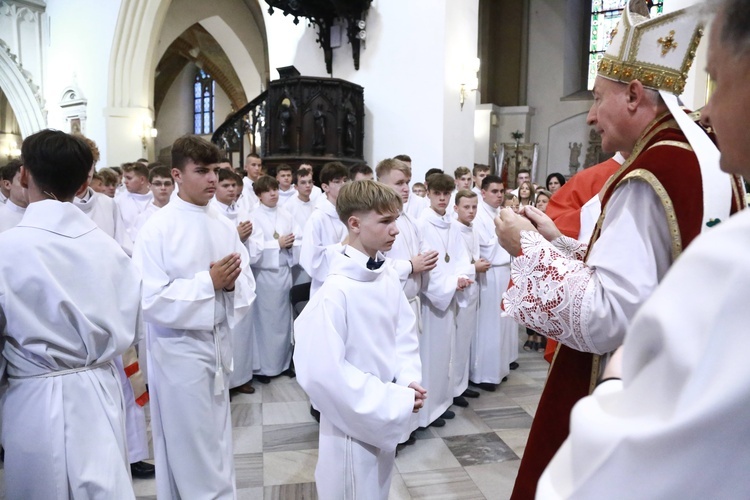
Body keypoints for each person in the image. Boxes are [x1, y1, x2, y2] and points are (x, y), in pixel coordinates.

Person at [497, 3, 744, 497]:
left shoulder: (648, 173)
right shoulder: (701, 157)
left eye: (596, 98)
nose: (589, 116)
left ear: (633, 95)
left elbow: (608, 315)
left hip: (624, 388)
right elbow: (649, 279)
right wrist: (559, 242)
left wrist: (523, 246)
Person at [0, 130, 141, 498]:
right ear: (83, 184)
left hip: (32, 398)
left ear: (25, 174)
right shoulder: (109, 250)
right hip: (99, 389)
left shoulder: (6, 250)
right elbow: (131, 325)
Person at [133, 135, 256, 499]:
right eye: (201, 171)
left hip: (217, 347)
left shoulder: (221, 223)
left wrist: (231, 287)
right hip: (177, 353)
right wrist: (209, 282)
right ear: (176, 174)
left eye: (215, 171)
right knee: (192, 444)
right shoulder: (157, 228)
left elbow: (245, 282)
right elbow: (149, 299)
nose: (212, 180)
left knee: (217, 439)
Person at [293, 180, 424, 499]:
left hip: (382, 408)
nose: (396, 230)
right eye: (385, 221)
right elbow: (323, 374)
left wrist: (407, 381)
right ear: (354, 223)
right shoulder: (335, 293)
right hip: (350, 420)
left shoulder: (386, 274)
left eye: (396, 220)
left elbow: (402, 334)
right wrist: (389, 400)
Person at [418, 174, 473, 428]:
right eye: (437, 193)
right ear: (428, 193)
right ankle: (426, 410)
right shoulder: (422, 224)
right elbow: (427, 265)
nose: (442, 198)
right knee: (430, 354)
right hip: (432, 301)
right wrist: (452, 283)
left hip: (449, 295)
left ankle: (440, 403)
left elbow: (461, 258)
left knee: (445, 353)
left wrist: (462, 276)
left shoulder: (451, 224)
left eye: (446, 194)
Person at [212, 168, 264, 395]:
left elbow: (258, 244)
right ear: (216, 187)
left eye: (234, 186)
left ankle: (242, 377)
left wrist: (246, 239)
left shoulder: (243, 209)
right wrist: (237, 235)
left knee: (242, 332)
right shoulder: (212, 213)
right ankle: (226, 380)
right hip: (224, 278)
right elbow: (215, 245)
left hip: (243, 275)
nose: (231, 189)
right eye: (226, 186)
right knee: (228, 331)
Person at [250, 175, 299, 382]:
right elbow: (252, 249)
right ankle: (264, 369)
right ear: (259, 195)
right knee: (265, 323)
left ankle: (284, 363)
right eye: (268, 191)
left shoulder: (286, 213)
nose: (273, 194)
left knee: (283, 322)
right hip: (264, 277)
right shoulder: (252, 216)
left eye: (275, 190)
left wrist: (291, 244)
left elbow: (297, 236)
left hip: (283, 273)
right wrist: (277, 245)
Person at [469, 175, 516, 392]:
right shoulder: (477, 216)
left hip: (504, 269)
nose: (499, 195)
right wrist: (505, 237)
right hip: (491, 272)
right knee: (489, 323)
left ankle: (499, 368)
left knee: (503, 323)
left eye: (501, 191)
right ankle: (485, 373)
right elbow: (484, 248)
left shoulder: (499, 213)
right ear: (483, 192)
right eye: (495, 191)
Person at [451, 189, 488, 408]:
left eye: (474, 207)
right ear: (456, 208)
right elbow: (453, 263)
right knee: (458, 341)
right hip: (460, 292)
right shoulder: (453, 230)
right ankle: (454, 389)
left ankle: (462, 384)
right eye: (466, 207)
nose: (471, 211)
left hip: (473, 290)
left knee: (467, 340)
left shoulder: (472, 228)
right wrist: (474, 267)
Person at [300, 161, 349, 297]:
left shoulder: (350, 213)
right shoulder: (317, 218)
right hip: (325, 288)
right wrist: (342, 246)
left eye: (345, 180)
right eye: (337, 181)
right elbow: (311, 260)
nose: (344, 185)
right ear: (325, 187)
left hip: (349, 283)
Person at [285, 165, 316, 285]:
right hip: (299, 259)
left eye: (309, 182)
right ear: (296, 186)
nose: (307, 186)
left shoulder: (316, 205)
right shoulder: (289, 207)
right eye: (303, 183)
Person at [133, 165, 174, 239]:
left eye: (167, 184)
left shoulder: (179, 214)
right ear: (149, 186)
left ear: (173, 187)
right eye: (158, 184)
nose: (163, 188)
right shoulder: (143, 218)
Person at [115, 161, 154, 241]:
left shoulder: (155, 198)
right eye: (124, 178)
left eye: (129, 178)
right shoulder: (118, 201)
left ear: (142, 180)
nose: (125, 181)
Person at [0, 159, 28, 232]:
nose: (28, 185)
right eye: (22, 180)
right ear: (7, 184)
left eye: (30, 181)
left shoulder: (42, 214)